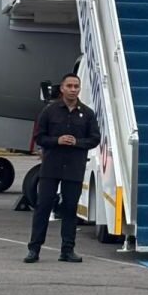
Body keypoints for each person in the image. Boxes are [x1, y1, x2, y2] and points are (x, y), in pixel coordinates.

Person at [25, 73, 101, 263]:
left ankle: (67, 250)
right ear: (62, 89)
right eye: (69, 86)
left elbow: (95, 138)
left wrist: (78, 142)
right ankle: (34, 249)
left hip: (74, 167)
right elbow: (39, 137)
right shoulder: (50, 111)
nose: (73, 89)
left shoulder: (87, 113)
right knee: (43, 206)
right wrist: (56, 141)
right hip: (52, 166)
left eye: (76, 86)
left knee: (69, 208)